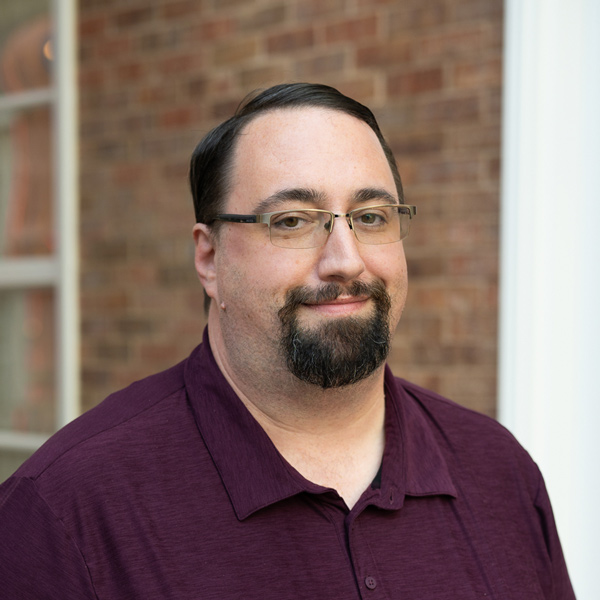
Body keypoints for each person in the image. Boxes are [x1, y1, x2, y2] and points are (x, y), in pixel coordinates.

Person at [0, 83, 574, 599]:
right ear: (209, 257)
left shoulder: (500, 472)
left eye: (371, 217)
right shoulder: (62, 513)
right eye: (293, 221)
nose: (345, 261)